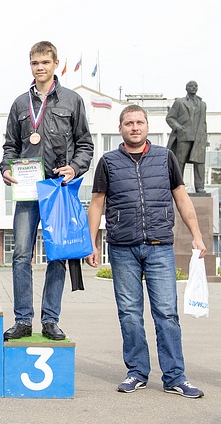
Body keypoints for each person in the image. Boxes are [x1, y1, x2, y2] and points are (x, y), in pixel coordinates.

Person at [86, 104, 205, 398]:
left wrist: (197, 235)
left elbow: (181, 197)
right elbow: (97, 203)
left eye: (139, 122)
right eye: (129, 123)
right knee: (129, 313)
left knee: (166, 314)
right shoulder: (108, 161)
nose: (135, 127)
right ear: (120, 129)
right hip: (122, 248)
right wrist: (91, 242)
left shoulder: (165, 157)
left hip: (159, 247)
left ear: (148, 126)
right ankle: (137, 372)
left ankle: (175, 376)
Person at [0, 41, 93, 341]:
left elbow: (85, 144)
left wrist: (74, 168)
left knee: (57, 255)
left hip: (58, 189)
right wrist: (6, 168)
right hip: (27, 192)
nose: (39, 68)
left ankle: (50, 320)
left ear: (55, 64)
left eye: (44, 62)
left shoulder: (72, 100)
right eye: (34, 63)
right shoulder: (19, 104)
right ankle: (23, 320)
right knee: (20, 255)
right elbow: (10, 147)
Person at [166, 80, 208, 193]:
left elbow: (204, 123)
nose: (193, 87)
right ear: (186, 88)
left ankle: (199, 187)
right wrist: (178, 127)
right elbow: (170, 118)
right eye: (191, 86)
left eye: (195, 86)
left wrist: (205, 138)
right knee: (180, 162)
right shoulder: (179, 102)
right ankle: (178, 186)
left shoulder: (202, 104)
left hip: (199, 138)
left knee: (199, 163)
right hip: (184, 136)